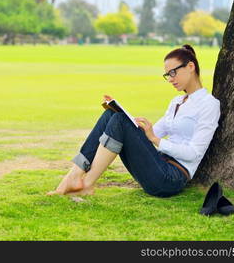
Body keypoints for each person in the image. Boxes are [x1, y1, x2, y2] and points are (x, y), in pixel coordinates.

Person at [47, 45, 221, 198]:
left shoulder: (209, 105)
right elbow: (146, 133)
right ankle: (74, 175)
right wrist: (121, 110)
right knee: (112, 115)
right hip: (155, 165)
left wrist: (156, 140)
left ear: (191, 67)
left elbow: (195, 153)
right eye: (167, 75)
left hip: (170, 178)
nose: (170, 79)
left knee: (120, 121)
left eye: (173, 73)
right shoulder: (176, 102)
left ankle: (86, 184)